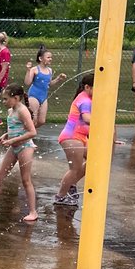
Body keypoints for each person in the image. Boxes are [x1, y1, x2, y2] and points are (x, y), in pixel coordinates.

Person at [0, 84, 38, 222]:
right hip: (14, 146)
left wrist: (13, 140)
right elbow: (17, 127)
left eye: (5, 99)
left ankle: (33, 212)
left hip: (25, 147)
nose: (3, 102)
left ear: (16, 98)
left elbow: (32, 132)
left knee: (25, 180)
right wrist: (6, 135)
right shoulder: (12, 110)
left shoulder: (23, 111)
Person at [54, 73, 93, 208]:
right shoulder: (84, 99)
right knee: (74, 169)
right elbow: (87, 118)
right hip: (71, 137)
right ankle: (60, 196)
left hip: (80, 137)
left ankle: (71, 185)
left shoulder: (89, 97)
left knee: (95, 161)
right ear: (87, 87)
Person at [25, 46, 66, 128]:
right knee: (33, 119)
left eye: (51, 57)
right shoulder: (34, 69)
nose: (50, 59)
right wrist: (28, 70)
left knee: (41, 121)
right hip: (34, 95)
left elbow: (49, 84)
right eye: (48, 57)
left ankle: (28, 132)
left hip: (43, 97)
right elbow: (27, 82)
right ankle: (28, 135)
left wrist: (58, 79)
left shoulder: (49, 70)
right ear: (40, 58)